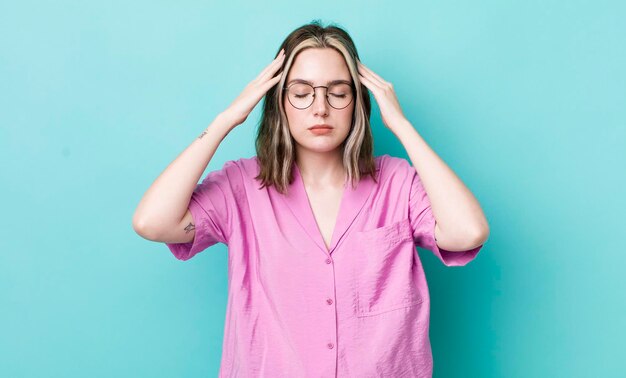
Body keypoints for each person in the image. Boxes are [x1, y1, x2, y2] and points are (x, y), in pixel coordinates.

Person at [133, 20, 489, 378]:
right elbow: (153, 222)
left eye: (338, 92)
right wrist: (227, 120)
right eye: (302, 93)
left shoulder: (397, 183)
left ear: (357, 102)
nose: (320, 108)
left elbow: (468, 231)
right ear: (279, 103)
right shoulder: (241, 186)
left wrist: (400, 124)